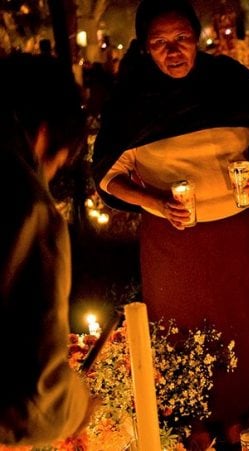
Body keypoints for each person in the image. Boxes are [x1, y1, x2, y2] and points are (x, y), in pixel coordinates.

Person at [91, 0, 249, 447]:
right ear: (144, 49)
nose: (173, 52)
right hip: (174, 243)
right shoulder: (132, 99)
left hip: (237, 234)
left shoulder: (232, 81)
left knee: (244, 323)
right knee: (181, 327)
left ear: (198, 38)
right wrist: (152, 202)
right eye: (159, 44)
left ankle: (240, 415)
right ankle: (193, 418)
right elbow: (107, 176)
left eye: (182, 40)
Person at [1, 54, 96, 445]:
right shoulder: (25, 206)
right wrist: (78, 405)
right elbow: (36, 407)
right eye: (54, 166)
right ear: (43, 135)